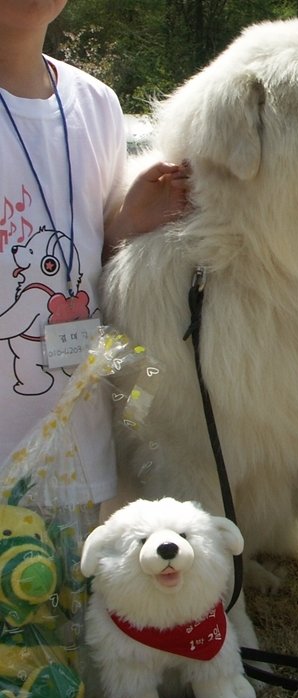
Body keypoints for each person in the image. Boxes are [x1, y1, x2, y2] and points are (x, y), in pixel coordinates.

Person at [0, 0, 189, 508]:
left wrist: (132, 221)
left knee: (62, 583)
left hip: (78, 445)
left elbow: (93, 258)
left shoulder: (96, 104)